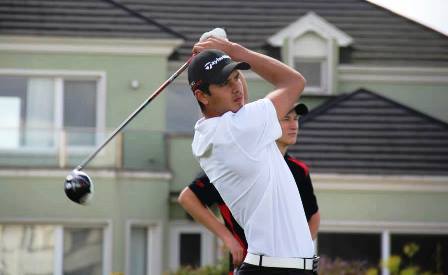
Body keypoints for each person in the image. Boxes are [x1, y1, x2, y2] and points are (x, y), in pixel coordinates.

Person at [189, 37, 318, 274]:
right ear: (202, 95)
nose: (236, 87)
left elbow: (242, 103)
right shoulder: (239, 129)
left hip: (274, 267)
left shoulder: (213, 132)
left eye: (237, 77)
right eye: (225, 83)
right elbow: (294, 81)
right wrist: (236, 51)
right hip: (276, 269)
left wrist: (223, 54)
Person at [178, 103, 320, 274]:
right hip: (248, 265)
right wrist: (228, 239)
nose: (293, 125)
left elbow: (313, 217)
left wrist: (298, 252)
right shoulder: (240, 163)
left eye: (296, 119)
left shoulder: (299, 170)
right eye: (286, 119)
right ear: (269, 124)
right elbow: (187, 198)